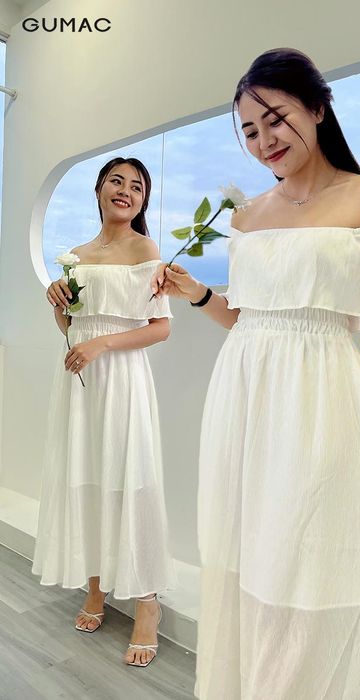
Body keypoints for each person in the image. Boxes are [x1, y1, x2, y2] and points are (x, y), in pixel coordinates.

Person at [152, 48, 360, 698]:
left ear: (318, 108)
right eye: (249, 130)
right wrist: (198, 294)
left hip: (325, 398)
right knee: (259, 566)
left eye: (274, 119)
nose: (263, 140)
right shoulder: (245, 217)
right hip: (246, 399)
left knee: (321, 563)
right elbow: (250, 318)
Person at [32, 157, 177, 668]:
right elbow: (72, 327)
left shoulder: (146, 251)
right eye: (117, 181)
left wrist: (103, 344)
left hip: (123, 380)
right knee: (87, 477)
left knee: (131, 479)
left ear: (143, 201)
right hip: (80, 383)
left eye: (137, 186)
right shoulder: (76, 256)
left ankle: (147, 602)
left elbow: (160, 328)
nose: (126, 191)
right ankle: (95, 586)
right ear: (98, 189)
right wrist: (58, 304)